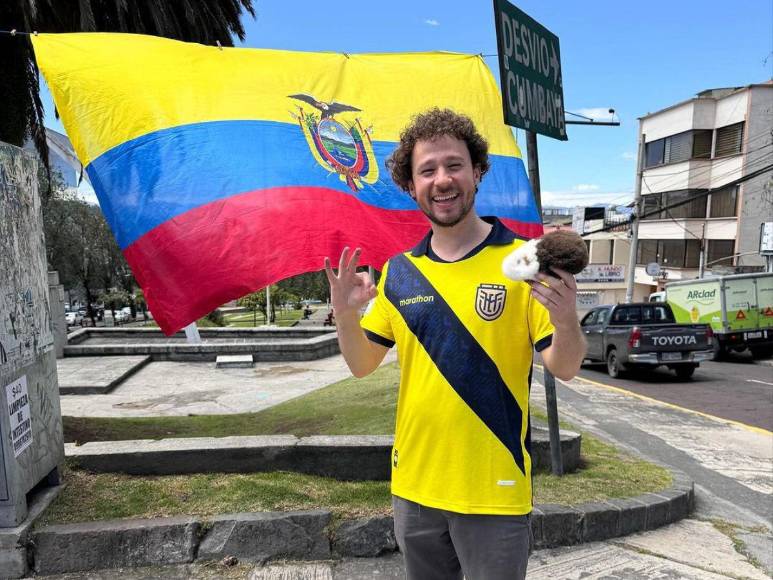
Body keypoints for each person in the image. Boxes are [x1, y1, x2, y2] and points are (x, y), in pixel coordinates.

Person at [324, 108, 586, 580]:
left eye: (454, 165)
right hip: (415, 489)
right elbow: (362, 364)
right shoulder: (400, 272)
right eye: (427, 170)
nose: (442, 180)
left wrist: (566, 320)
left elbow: (563, 366)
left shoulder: (522, 260)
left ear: (477, 171)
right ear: (411, 185)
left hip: (494, 489)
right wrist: (345, 315)